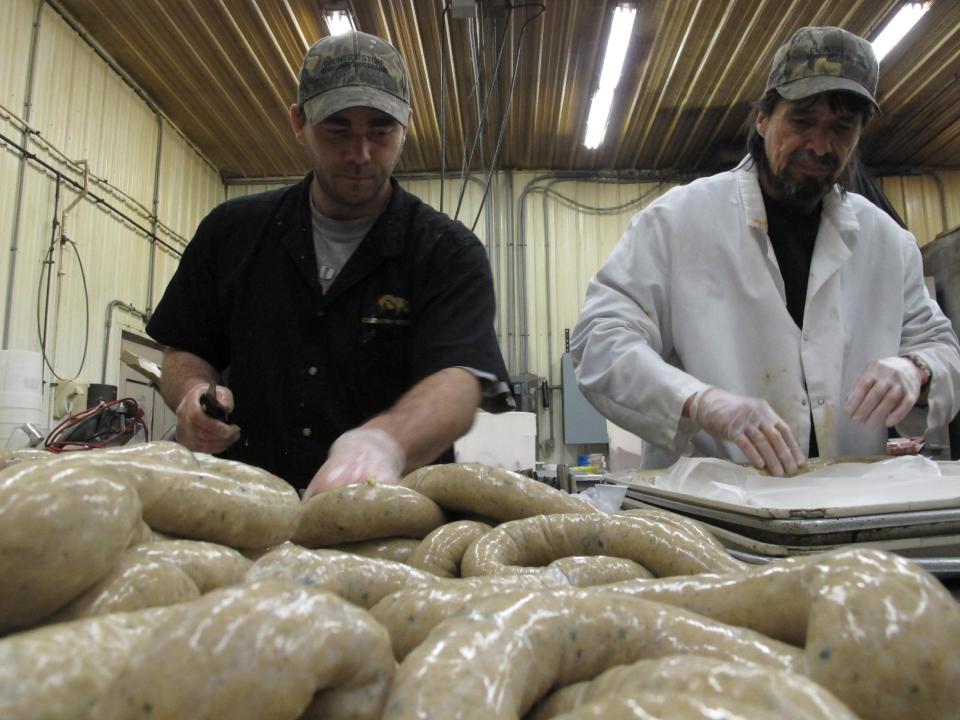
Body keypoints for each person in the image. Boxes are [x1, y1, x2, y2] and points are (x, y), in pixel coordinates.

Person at [571, 26, 960, 477]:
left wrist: (916, 370)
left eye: (841, 127)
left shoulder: (888, 244)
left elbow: (941, 348)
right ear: (763, 119)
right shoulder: (679, 220)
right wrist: (698, 401)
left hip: (849, 506)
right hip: (711, 514)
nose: (819, 145)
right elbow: (600, 337)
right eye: (801, 120)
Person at [147, 31, 512, 498]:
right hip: (247, 510)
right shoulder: (230, 233)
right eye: (338, 129)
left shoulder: (447, 251)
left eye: (380, 132)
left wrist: (383, 443)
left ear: (406, 125)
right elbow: (183, 351)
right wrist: (192, 393)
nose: (360, 154)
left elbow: (459, 381)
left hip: (389, 520)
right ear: (299, 122)